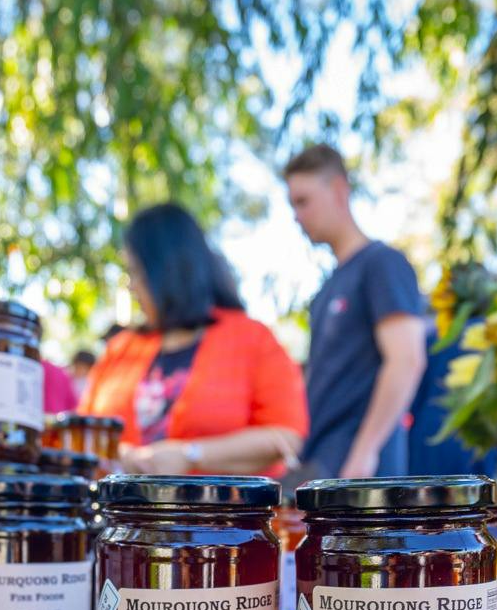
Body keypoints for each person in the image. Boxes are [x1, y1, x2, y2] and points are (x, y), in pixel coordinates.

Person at [81, 203, 305, 475]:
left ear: (166, 271)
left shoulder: (252, 339)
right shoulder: (121, 349)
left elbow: (284, 436)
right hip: (120, 513)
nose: (131, 285)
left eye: (137, 272)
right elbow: (81, 434)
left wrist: (192, 456)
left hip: (221, 514)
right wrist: (119, 453)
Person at [284, 144, 430, 479]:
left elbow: (407, 360)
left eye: (303, 201)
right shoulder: (326, 289)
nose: (296, 215)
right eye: (293, 204)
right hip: (321, 461)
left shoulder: (382, 264)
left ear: (338, 190)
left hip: (361, 475)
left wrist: (364, 454)